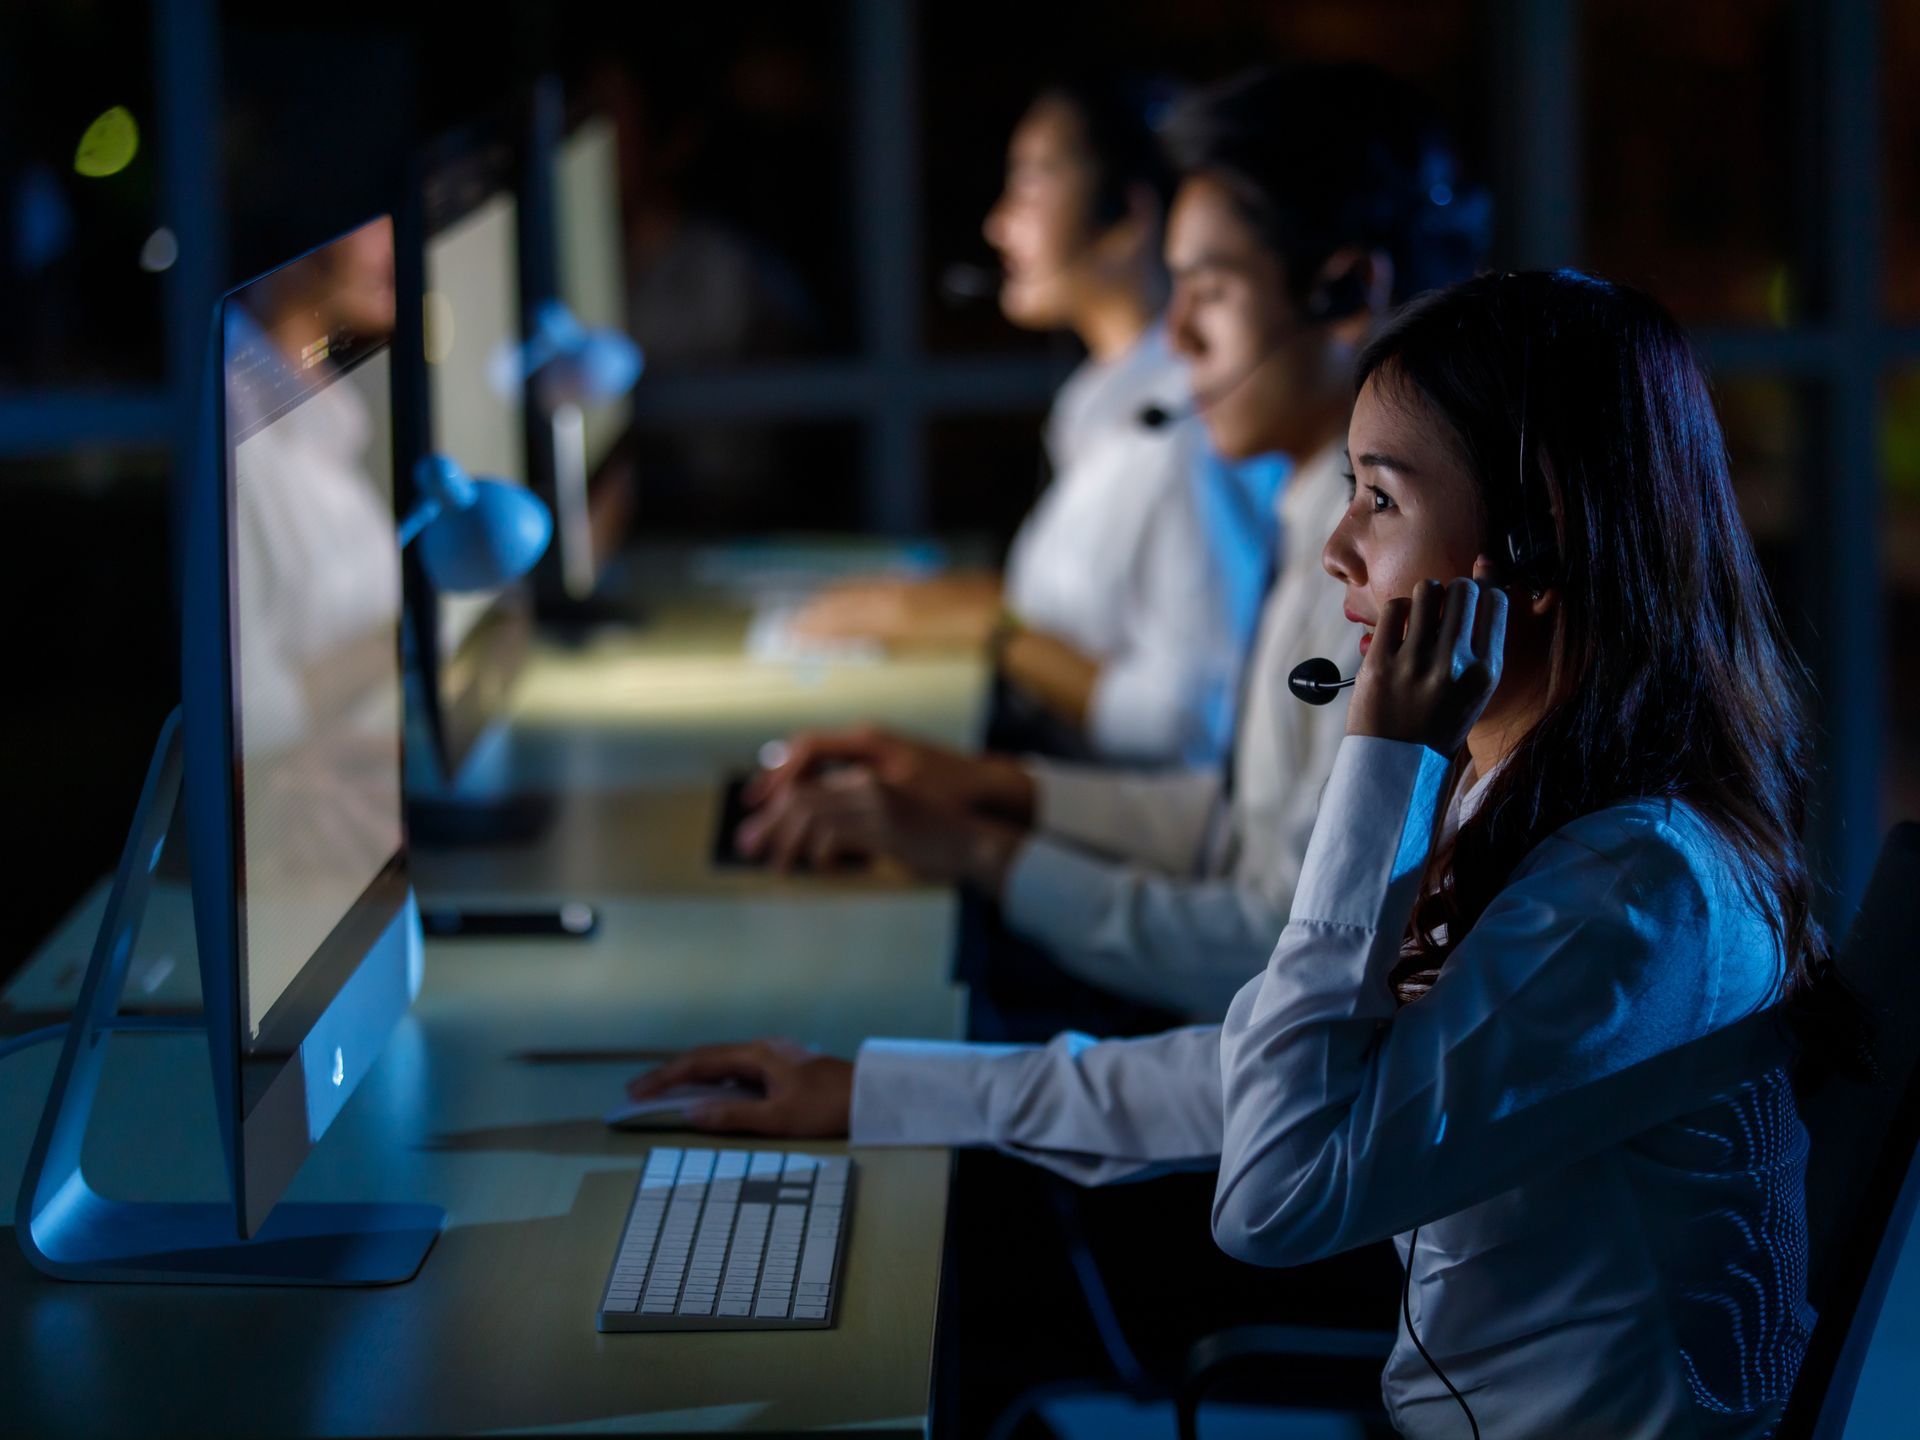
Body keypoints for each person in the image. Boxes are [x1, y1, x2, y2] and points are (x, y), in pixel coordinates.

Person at [637, 270, 1845, 1437]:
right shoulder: (1533, 800)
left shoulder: (1633, 897)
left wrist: (1384, 758)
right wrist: (878, 1092)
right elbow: (1266, 1066)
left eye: (1379, 497)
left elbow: (1276, 1193)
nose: (1337, 550)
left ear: (1532, 541)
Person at [742, 66, 1489, 1026]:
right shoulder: (1311, 510)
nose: (1175, 340)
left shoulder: (1382, 576)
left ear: (1345, 290)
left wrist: (983, 850)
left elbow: (1281, 954)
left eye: (1209, 290)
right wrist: (988, 790)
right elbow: (1244, 833)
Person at [791, 76, 1236, 766]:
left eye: (1031, 185)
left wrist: (985, 628)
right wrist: (934, 608)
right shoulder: (1105, 407)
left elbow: (1184, 724)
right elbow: (1074, 618)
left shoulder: (1184, 435)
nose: (999, 225)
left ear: (1125, 215)